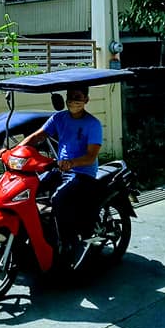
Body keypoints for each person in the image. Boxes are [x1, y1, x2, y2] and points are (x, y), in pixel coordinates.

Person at [19, 85, 103, 268]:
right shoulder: (59, 118)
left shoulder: (93, 124)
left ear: (86, 100)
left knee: (58, 199)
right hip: (61, 169)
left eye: (78, 96)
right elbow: (37, 136)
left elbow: (91, 156)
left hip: (83, 172)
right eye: (71, 96)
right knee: (29, 189)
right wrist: (17, 151)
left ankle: (71, 243)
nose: (74, 100)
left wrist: (72, 163)